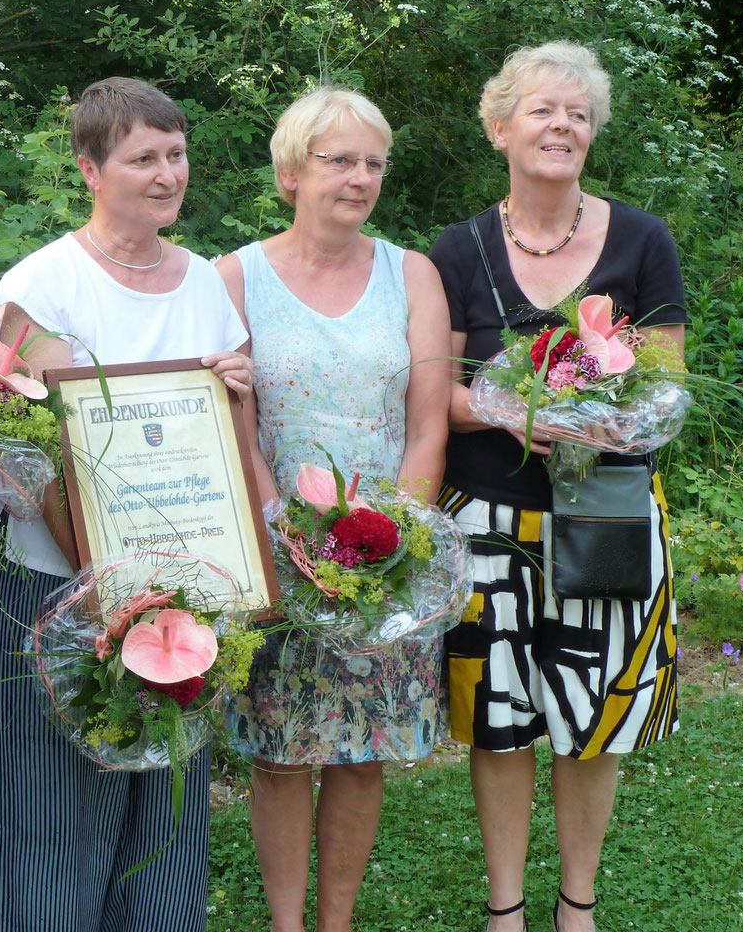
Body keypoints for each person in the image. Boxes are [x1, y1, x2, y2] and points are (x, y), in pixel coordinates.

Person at [0, 76, 252, 931]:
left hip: (180, 596)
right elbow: (34, 456)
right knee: (45, 820)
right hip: (57, 592)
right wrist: (107, 587)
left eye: (175, 154)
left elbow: (235, 440)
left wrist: (233, 393)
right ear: (90, 169)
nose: (167, 174)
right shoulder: (41, 288)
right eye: (142, 159)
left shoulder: (204, 280)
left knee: (162, 811)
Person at [428, 42, 686, 932]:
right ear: (500, 127)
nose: (562, 125)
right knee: (498, 720)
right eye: (542, 110)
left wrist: (599, 414)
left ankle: (576, 908)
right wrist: (515, 411)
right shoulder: (455, 250)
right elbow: (436, 392)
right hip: (487, 518)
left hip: (607, 512)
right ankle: (507, 911)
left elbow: (664, 388)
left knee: (594, 716)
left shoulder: (642, 239)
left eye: (577, 113)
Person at [215, 87, 452, 932]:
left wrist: (388, 546)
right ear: (290, 173)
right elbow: (233, 431)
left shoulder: (411, 274)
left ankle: (335, 923)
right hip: (278, 547)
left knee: (361, 752)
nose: (358, 178)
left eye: (372, 163)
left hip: (385, 557)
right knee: (279, 754)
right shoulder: (233, 277)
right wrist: (291, 537)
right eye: (338, 160)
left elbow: (426, 426)